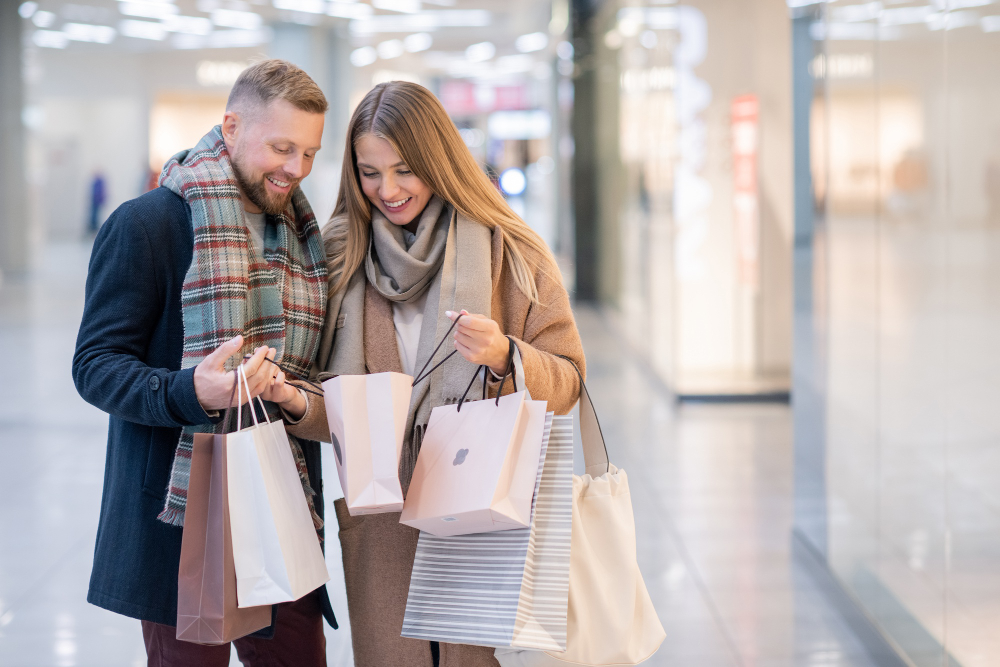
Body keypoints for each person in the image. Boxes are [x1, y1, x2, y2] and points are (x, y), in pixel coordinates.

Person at [281, 81, 586, 667]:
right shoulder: (339, 256)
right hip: (383, 524)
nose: (388, 190)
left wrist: (505, 356)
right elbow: (335, 409)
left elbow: (568, 378)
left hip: (480, 509)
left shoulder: (510, 251)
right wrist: (295, 402)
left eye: (405, 170)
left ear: (438, 161)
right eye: (370, 173)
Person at [72, 59, 336, 666]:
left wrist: (294, 394)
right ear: (231, 127)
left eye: (309, 153)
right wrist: (191, 390)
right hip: (181, 514)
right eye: (282, 148)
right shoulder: (146, 226)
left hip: (279, 500)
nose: (296, 169)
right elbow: (95, 365)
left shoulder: (302, 237)